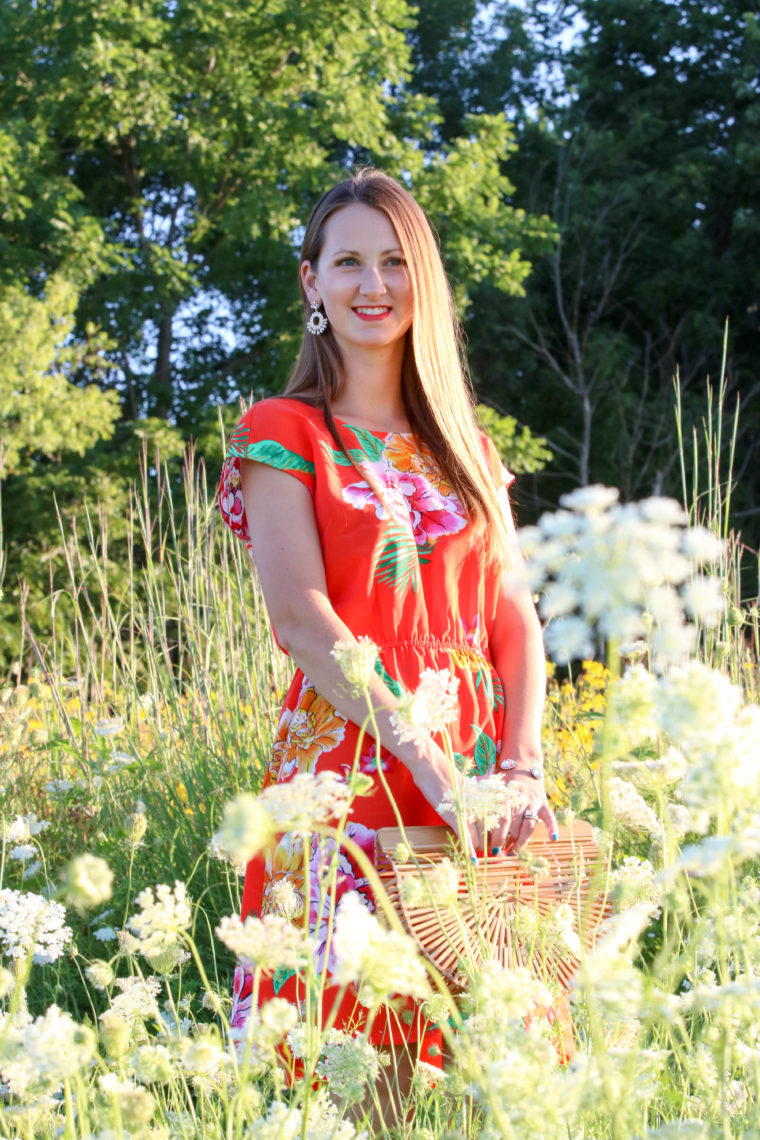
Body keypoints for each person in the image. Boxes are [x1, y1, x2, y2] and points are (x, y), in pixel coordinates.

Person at [217, 167, 557, 1102]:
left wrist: (518, 772)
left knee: (501, 1077)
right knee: (359, 1080)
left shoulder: (469, 450)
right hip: (352, 769)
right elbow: (300, 619)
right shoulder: (281, 432)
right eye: (350, 262)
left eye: (397, 261)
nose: (375, 284)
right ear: (311, 283)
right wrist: (428, 765)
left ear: (425, 280)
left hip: (483, 775)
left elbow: (515, 617)